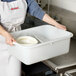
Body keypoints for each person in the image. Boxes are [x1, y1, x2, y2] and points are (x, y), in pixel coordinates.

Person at [0, 0, 66, 76]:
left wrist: (56, 24)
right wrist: (6, 34)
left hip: (16, 39)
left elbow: (38, 11)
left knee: (13, 70)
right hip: (1, 37)